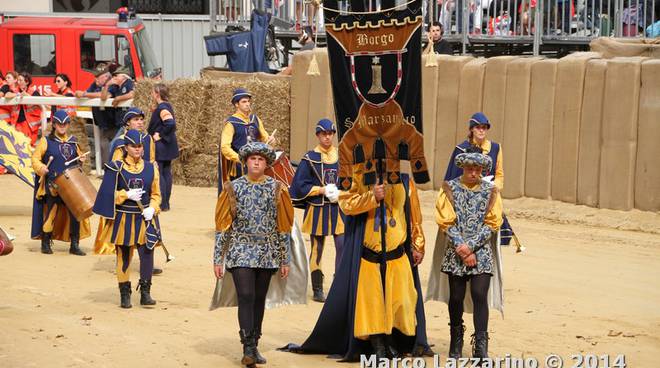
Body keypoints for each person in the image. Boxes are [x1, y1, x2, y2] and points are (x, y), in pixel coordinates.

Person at [285, 161, 433, 360]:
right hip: (370, 257)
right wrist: (372, 196)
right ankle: (378, 343)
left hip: (398, 256)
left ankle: (391, 340)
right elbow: (347, 205)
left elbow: (415, 216)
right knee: (373, 304)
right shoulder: (359, 178)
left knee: (400, 302)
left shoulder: (405, 182)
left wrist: (418, 244)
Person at [213, 141, 292, 367]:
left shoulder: (277, 188)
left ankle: (255, 344)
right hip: (240, 249)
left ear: (266, 164)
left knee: (258, 298)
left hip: (267, 251)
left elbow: (282, 227)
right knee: (246, 295)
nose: (256, 162)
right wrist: (218, 258)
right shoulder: (233, 188)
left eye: (261, 160)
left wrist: (284, 258)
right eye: (252, 159)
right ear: (246, 162)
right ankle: (247, 346)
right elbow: (223, 227)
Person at [433, 150, 503, 361]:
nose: (474, 173)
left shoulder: (491, 191)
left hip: (480, 252)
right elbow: (445, 220)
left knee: (480, 294)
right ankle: (456, 337)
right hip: (456, 251)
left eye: (478, 170)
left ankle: (481, 346)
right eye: (470, 169)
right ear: (463, 168)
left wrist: (470, 247)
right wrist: (461, 247)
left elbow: (492, 222)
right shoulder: (449, 188)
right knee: (456, 297)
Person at [93, 129, 162, 309]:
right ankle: (125, 293)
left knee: (147, 254)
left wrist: (152, 208)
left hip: (144, 219)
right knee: (123, 256)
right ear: (126, 147)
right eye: (134, 146)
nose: (138, 149)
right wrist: (125, 194)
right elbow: (105, 196)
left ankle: (145, 292)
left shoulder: (150, 168)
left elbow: (157, 195)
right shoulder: (116, 167)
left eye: (140, 146)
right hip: (124, 219)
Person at [444, 112, 521, 248]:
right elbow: (452, 178)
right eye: (478, 127)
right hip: (466, 199)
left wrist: (493, 188)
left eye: (484, 127)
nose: (481, 130)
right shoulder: (461, 149)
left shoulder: (496, 148)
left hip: (489, 197)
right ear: (472, 129)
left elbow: (499, 174)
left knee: (489, 236)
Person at [289, 118, 344, 303]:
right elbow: (300, 184)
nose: (327, 137)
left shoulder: (343, 156)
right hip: (318, 209)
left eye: (330, 134)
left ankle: (339, 286)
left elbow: (351, 180)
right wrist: (320, 190)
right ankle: (318, 288)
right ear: (318, 135)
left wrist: (341, 192)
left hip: (338, 208)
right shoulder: (309, 158)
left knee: (342, 245)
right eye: (323, 134)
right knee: (317, 248)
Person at [30, 110, 91, 255]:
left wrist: (81, 160)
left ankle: (74, 244)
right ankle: (46, 242)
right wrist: (41, 167)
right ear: (55, 125)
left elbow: (78, 161)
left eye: (65, 124)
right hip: (54, 184)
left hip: (72, 185)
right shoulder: (46, 141)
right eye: (59, 124)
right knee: (51, 213)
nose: (62, 126)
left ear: (68, 124)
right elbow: (35, 159)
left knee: (75, 215)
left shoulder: (73, 141)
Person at [218, 88, 274, 194]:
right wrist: (240, 159)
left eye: (248, 101)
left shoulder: (255, 119)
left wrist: (270, 140)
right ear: (236, 104)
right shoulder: (231, 123)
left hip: (257, 164)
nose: (247, 104)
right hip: (240, 167)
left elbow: (264, 137)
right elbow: (225, 147)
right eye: (244, 102)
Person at [147, 83, 179, 211]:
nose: (151, 94)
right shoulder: (166, 106)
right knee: (166, 173)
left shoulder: (162, 107)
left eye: (152, 92)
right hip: (168, 145)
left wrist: (160, 134)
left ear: (157, 94)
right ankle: (166, 203)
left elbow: (170, 123)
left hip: (161, 146)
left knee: (159, 173)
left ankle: (162, 203)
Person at [75, 66, 116, 165]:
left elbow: (104, 95)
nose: (95, 79)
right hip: (102, 122)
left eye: (98, 77)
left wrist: (84, 94)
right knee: (103, 145)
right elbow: (88, 92)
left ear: (106, 76)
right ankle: (105, 167)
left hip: (113, 122)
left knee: (111, 145)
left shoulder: (112, 84)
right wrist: (82, 94)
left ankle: (109, 167)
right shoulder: (95, 84)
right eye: (95, 77)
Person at [10, 73, 42, 145]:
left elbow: (41, 105)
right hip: (17, 123)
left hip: (30, 125)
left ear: (27, 82)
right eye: (18, 80)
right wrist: (18, 94)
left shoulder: (34, 92)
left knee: (28, 146)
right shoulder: (15, 91)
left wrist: (27, 96)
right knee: (18, 146)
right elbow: (7, 95)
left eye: (20, 80)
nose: (18, 82)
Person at [102, 67, 135, 133]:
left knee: (114, 143)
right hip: (119, 121)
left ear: (124, 76)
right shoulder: (115, 86)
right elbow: (104, 97)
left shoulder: (128, 82)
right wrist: (106, 85)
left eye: (116, 75)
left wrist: (118, 98)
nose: (114, 77)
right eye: (113, 76)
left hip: (127, 121)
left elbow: (132, 94)